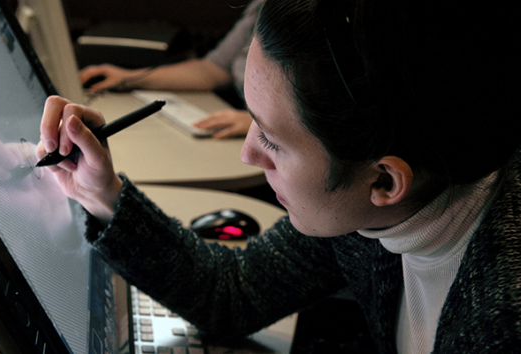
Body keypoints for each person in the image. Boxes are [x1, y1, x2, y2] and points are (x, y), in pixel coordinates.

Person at [37, 0, 521, 352]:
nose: (248, 153)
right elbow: (235, 293)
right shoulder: (374, 205)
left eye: (270, 138)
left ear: (385, 182)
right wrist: (103, 192)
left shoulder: (500, 320)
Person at [78, 0, 264, 139]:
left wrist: (261, 125)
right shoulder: (261, 6)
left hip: (274, 143)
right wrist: (129, 78)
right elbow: (212, 70)